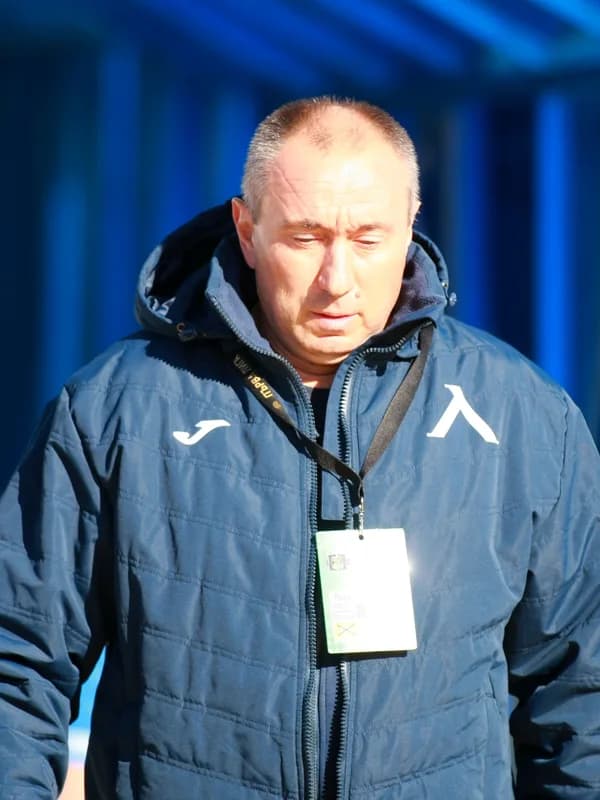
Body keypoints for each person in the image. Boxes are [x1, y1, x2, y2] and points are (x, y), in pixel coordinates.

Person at [0, 96, 599, 800]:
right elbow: (19, 661)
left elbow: (581, 698)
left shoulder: (523, 417)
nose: (336, 280)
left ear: (411, 224)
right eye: (306, 238)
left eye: (368, 239)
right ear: (247, 230)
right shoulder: (117, 409)